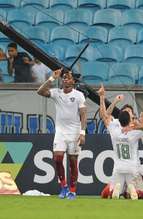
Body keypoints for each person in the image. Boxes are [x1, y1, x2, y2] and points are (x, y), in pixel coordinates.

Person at [98, 84, 143, 200]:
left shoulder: (114, 129)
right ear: (130, 118)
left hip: (118, 167)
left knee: (108, 194)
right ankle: (130, 190)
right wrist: (135, 127)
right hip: (132, 168)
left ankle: (118, 192)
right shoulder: (135, 131)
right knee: (140, 193)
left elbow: (105, 116)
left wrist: (102, 97)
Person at [37, 68, 87, 200]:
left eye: (68, 77)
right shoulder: (56, 93)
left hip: (74, 132)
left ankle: (73, 190)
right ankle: (63, 187)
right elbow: (40, 91)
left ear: (73, 81)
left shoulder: (78, 95)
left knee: (72, 161)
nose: (65, 79)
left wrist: (82, 133)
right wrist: (52, 78)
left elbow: (83, 114)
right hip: (60, 132)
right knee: (58, 159)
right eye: (64, 77)